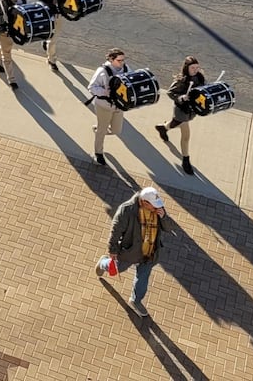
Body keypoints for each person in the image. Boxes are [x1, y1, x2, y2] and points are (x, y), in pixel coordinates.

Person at [99, 186, 169, 318]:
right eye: (153, 206)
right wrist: (113, 250)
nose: (156, 209)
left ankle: (136, 301)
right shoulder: (126, 211)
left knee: (143, 278)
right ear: (144, 202)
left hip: (150, 252)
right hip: (131, 252)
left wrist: (164, 217)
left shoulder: (158, 210)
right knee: (117, 268)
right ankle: (103, 263)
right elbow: (115, 231)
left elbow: (169, 227)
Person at [155, 56, 205, 176]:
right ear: (187, 68)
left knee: (174, 124)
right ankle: (185, 160)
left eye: (197, 67)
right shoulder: (181, 80)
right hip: (181, 110)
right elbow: (170, 92)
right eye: (193, 68)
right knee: (186, 136)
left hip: (191, 111)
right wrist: (182, 98)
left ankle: (163, 128)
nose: (195, 70)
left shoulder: (199, 77)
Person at [87, 49, 131, 165]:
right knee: (102, 131)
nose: (122, 63)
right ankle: (98, 153)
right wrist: (105, 92)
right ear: (111, 59)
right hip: (104, 106)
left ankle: (98, 130)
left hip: (119, 107)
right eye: (119, 60)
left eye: (123, 60)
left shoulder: (126, 69)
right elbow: (91, 88)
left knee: (116, 130)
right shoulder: (102, 71)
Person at [36, 0, 67, 71]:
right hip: (50, 15)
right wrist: (51, 3)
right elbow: (40, 2)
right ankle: (51, 60)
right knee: (53, 41)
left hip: (59, 15)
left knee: (54, 38)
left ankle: (46, 41)